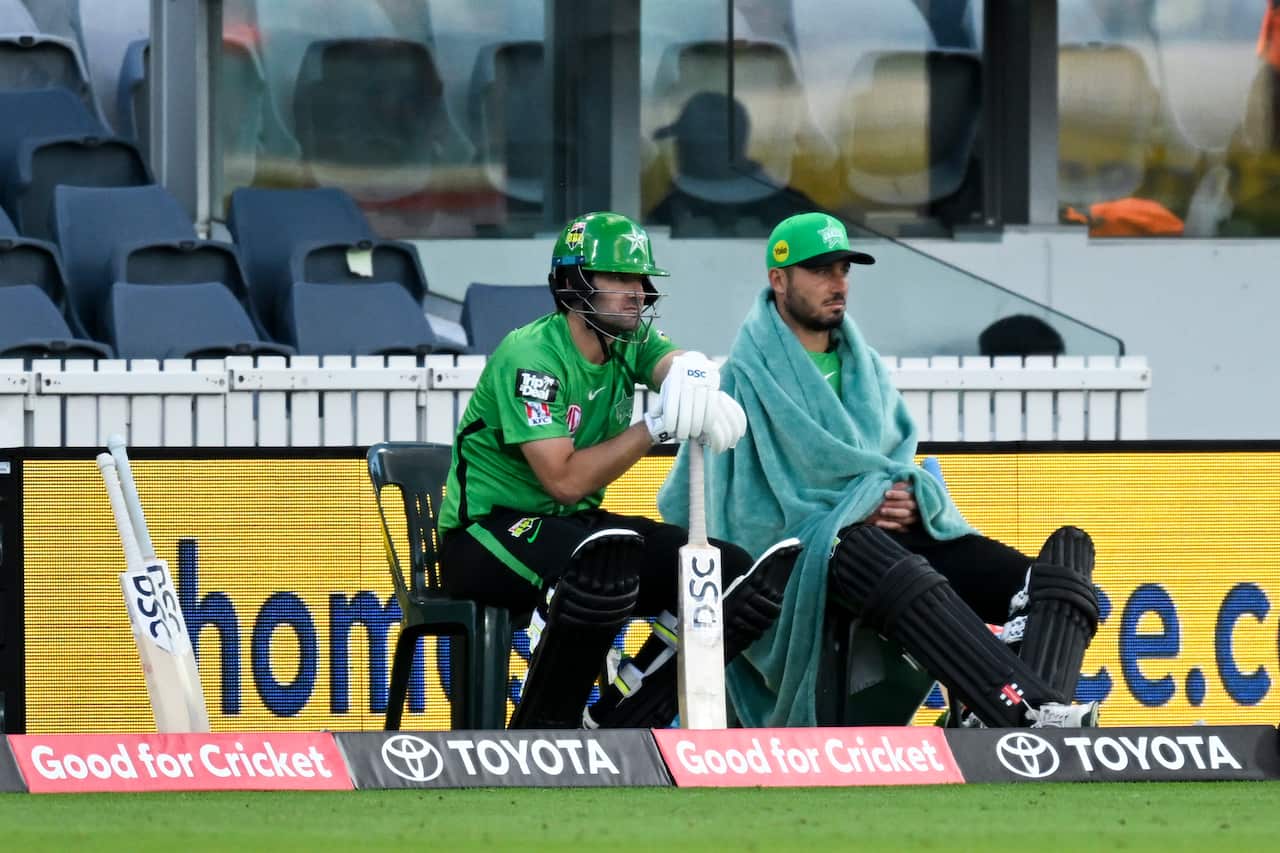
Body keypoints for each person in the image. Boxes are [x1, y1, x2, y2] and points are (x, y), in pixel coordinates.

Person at [658, 211, 1101, 729]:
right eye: (820, 270)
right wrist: (845, 515)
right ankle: (1022, 711)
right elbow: (695, 507)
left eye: (844, 269)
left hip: (903, 538)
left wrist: (917, 501)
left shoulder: (865, 368)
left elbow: (891, 466)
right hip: (821, 557)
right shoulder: (736, 382)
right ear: (778, 280)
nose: (837, 283)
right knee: (863, 548)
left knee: (1065, 564)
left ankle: (1011, 711)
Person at [437, 211, 801, 729]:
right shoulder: (532, 357)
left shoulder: (623, 339)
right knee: (596, 568)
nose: (637, 292)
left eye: (640, 279)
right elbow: (562, 482)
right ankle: (541, 727)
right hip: (486, 534)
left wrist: (695, 380)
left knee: (722, 573)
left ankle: (614, 712)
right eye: (620, 278)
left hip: (574, 529)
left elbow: (669, 360)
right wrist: (654, 426)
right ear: (572, 284)